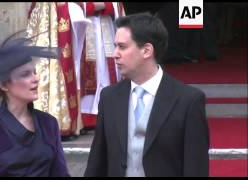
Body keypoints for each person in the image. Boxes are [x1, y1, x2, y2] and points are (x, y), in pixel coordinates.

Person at [84, 12, 209, 177]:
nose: (115, 54)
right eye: (115, 46)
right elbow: (96, 163)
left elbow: (196, 168)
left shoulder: (188, 100)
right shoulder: (109, 97)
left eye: (122, 46)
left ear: (146, 50)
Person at [0, 31, 70, 177]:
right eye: (25, 74)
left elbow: (61, 174)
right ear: (3, 85)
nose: (36, 78)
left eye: (34, 72)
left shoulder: (48, 123)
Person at [27, 2, 90, 138]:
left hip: (63, 16)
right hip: (49, 20)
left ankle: (64, 121)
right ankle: (55, 122)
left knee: (64, 67)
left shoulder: (71, 8)